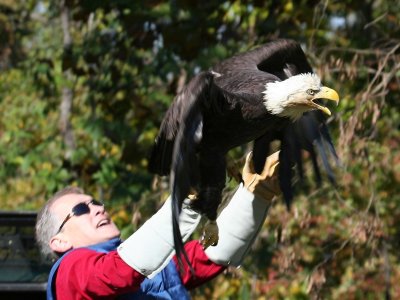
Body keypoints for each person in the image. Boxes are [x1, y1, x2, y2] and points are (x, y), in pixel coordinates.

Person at [35, 151, 280, 299]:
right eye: (80, 209)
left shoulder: (145, 263)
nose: (98, 208)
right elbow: (117, 272)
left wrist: (255, 196)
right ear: (60, 241)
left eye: (96, 202)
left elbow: (210, 256)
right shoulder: (69, 271)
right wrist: (185, 200)